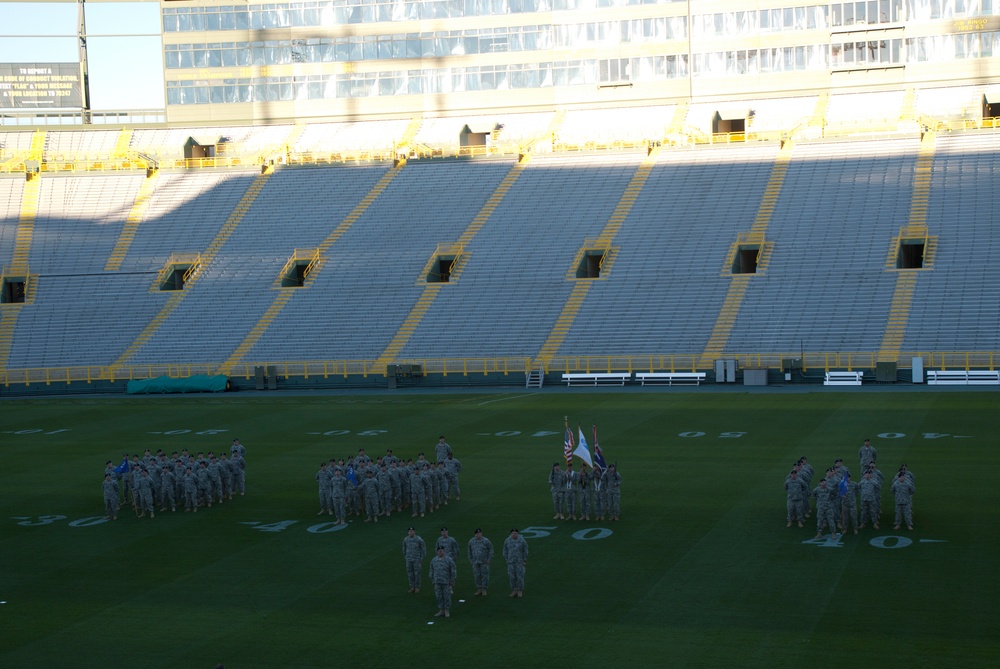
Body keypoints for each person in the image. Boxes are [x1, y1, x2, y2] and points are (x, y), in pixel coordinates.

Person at [428, 546, 457, 618]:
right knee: (439, 596)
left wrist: (452, 580)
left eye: (441, 551)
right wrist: (433, 580)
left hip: (446, 581)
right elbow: (431, 570)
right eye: (439, 551)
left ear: (444, 551)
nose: (440, 552)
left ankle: (446, 610)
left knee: (446, 596)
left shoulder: (449, 560)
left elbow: (453, 570)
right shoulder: (434, 560)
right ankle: (441, 610)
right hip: (437, 582)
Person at [467, 528, 494, 596]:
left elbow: (491, 549)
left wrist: (489, 559)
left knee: (484, 575)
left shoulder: (486, 541)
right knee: (477, 575)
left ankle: (484, 589)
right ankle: (479, 589)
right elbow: (469, 551)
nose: (477, 535)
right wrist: (471, 560)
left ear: (481, 534)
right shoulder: (471, 541)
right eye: (476, 534)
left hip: (484, 562)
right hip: (475, 562)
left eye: (479, 534)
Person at [503, 528, 528, 598]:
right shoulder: (507, 540)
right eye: (512, 533)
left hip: (519, 562)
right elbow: (505, 550)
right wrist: (506, 559)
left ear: (518, 534)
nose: (514, 534)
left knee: (520, 576)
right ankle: (514, 590)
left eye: (515, 533)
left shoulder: (522, 541)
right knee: (512, 577)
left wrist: (524, 560)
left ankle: (520, 590)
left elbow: (525, 550)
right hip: (510, 562)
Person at [403, 527, 426, 593]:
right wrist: (406, 556)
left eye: (412, 531)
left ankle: (417, 587)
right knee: (410, 573)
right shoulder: (406, 539)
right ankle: (412, 586)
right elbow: (404, 548)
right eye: (409, 531)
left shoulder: (418, 539)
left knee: (417, 573)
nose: (410, 532)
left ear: (414, 532)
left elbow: (423, 548)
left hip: (416, 559)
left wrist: (422, 558)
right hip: (409, 559)